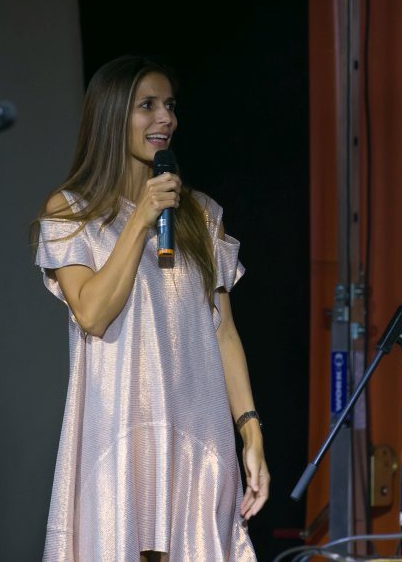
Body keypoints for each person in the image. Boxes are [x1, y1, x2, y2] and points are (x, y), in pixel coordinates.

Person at [33, 56, 268, 561]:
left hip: (198, 436)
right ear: (112, 116)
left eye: (170, 106)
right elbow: (93, 313)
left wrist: (250, 429)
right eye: (148, 106)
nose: (166, 118)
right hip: (120, 432)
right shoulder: (71, 211)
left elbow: (223, 332)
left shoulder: (201, 215)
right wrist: (141, 216)